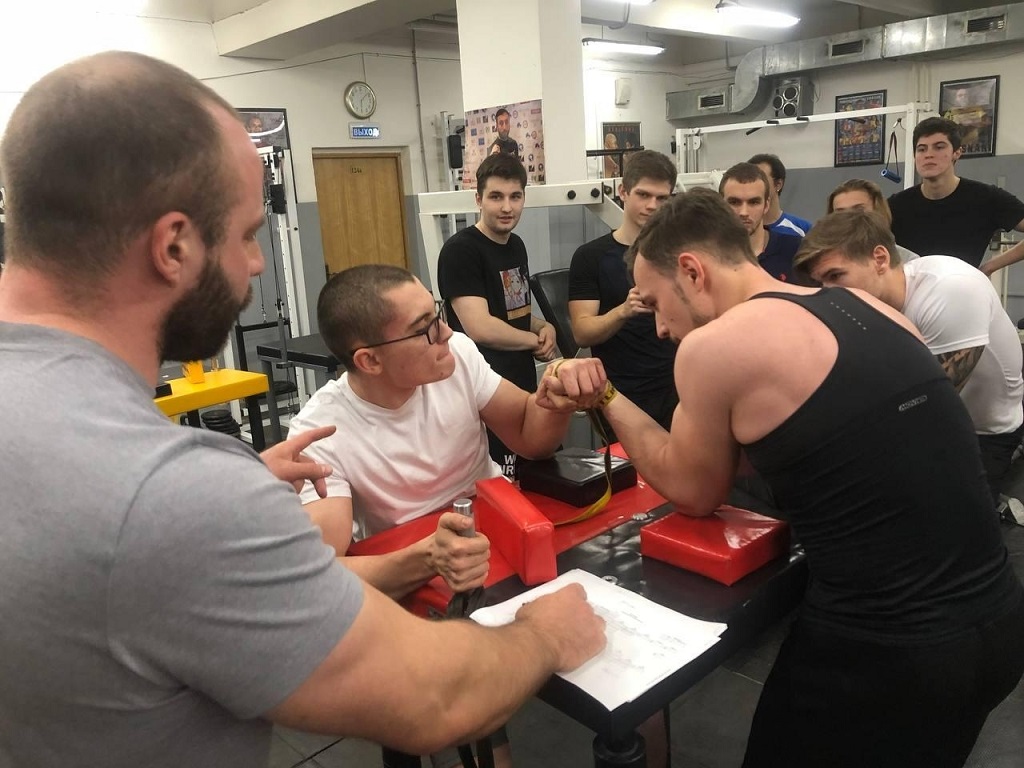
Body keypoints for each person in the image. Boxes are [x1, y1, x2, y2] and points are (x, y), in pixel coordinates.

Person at [0, 51, 606, 768]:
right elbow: (428, 700)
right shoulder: (169, 490)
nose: (257, 264)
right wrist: (544, 635)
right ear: (174, 245)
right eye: (247, 235)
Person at [575, 187, 1024, 768]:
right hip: (997, 621)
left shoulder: (714, 346)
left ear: (692, 271)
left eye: (659, 304)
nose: (660, 327)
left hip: (891, 648)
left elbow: (693, 491)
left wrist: (606, 395)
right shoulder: (869, 307)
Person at [291, 264, 606, 768]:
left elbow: (530, 435)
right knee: (462, 726)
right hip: (419, 584)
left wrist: (554, 400)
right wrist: (427, 558)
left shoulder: (455, 354)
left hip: (501, 542)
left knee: (620, 655)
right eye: (424, 329)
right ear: (369, 360)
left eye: (437, 314)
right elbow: (317, 578)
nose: (445, 333)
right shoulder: (322, 430)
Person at [795, 209, 1024, 509]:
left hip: (983, 432)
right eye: (821, 283)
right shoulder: (866, 302)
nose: (829, 293)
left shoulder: (950, 289)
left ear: (879, 259)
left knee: (945, 521)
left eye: (836, 276)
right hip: (925, 418)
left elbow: (930, 407)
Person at [438, 152, 557, 479]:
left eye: (515, 197)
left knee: (532, 478)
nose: (507, 207)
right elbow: (481, 327)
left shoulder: (515, 245)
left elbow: (513, 312)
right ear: (478, 199)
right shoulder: (461, 251)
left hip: (520, 383)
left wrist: (543, 326)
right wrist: (533, 341)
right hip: (483, 392)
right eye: (496, 197)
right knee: (497, 487)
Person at [569, 149, 679, 435]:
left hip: (677, 389)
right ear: (623, 192)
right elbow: (582, 333)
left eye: (661, 198)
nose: (652, 206)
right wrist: (623, 311)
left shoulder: (681, 254)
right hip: (621, 394)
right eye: (643, 195)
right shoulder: (591, 257)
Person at [888, 116, 1024, 274]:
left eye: (939, 147)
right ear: (914, 155)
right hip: (909, 288)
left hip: (962, 287)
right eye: (922, 149)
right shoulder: (895, 206)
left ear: (957, 152)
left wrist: (989, 267)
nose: (928, 155)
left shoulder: (986, 198)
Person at [719, 162, 804, 283]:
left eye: (753, 202)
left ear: (766, 205)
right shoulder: (707, 257)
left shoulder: (796, 252)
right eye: (734, 202)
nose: (744, 212)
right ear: (721, 205)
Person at [826, 178, 918, 262]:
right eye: (840, 212)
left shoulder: (909, 261)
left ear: (878, 211)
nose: (849, 217)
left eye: (859, 209)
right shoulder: (822, 261)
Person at [747, 153, 812, 236]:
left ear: (778, 184)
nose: (754, 184)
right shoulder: (739, 230)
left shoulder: (803, 230)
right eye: (750, 179)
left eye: (761, 178)